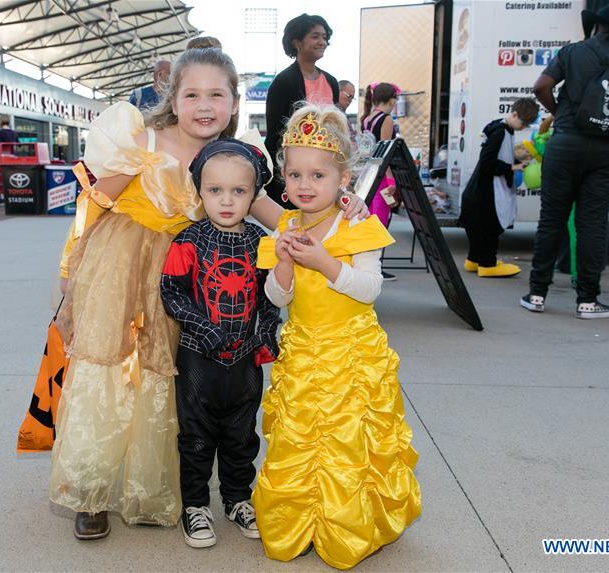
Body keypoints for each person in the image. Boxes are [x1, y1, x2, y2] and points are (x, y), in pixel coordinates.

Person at [46, 48, 369, 542]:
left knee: (163, 378)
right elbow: (94, 199)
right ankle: (89, 493)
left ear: (234, 102)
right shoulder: (143, 140)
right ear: (172, 98)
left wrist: (340, 208)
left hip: (187, 275)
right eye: (191, 93)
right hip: (123, 265)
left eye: (216, 94)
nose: (203, 105)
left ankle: (147, 488)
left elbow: (277, 214)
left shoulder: (231, 159)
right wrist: (72, 266)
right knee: (109, 369)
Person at [252, 104, 421, 570]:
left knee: (348, 443)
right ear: (283, 178)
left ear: (343, 176)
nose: (305, 186)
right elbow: (278, 298)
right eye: (295, 175)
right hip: (304, 351)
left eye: (318, 175)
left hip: (350, 353)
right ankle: (301, 520)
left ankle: (350, 525)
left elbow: (368, 290)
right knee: (301, 441)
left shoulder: (358, 224)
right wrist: (285, 263)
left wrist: (324, 262)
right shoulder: (285, 225)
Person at [159, 139, 280, 548]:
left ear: (254, 193)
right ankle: (195, 504)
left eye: (239, 191)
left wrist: (266, 332)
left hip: (246, 361)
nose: (226, 201)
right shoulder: (187, 241)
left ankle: (237, 498)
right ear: (200, 191)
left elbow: (268, 297)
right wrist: (202, 326)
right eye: (215, 191)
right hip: (198, 357)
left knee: (242, 435)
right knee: (194, 435)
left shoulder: (262, 243)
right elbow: (171, 292)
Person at [522, 1, 609, 319]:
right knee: (592, 222)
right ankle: (587, 300)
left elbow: (541, 86)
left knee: (552, 219)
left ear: (596, 25)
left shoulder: (573, 52)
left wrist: (560, 114)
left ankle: (537, 295)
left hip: (565, 145)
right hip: (607, 150)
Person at [264, 14, 339, 207]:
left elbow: (337, 129)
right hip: (292, 173)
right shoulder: (283, 82)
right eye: (315, 36)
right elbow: (275, 134)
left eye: (324, 37)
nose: (322, 42)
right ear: (297, 41)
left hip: (325, 169)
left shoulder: (331, 82)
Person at [460, 97, 539, 277]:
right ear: (514, 114)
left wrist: (516, 160)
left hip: (476, 194)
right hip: (486, 194)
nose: (524, 127)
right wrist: (513, 167)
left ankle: (474, 260)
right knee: (490, 228)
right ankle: (487, 264)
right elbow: (488, 163)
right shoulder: (501, 132)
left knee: (479, 230)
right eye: (524, 123)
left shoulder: (499, 128)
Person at [361, 82, 402, 280]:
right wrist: (391, 180)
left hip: (369, 176)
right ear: (391, 99)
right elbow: (385, 152)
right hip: (382, 178)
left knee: (371, 220)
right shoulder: (386, 119)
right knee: (381, 221)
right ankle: (375, 266)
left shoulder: (367, 119)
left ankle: (370, 264)